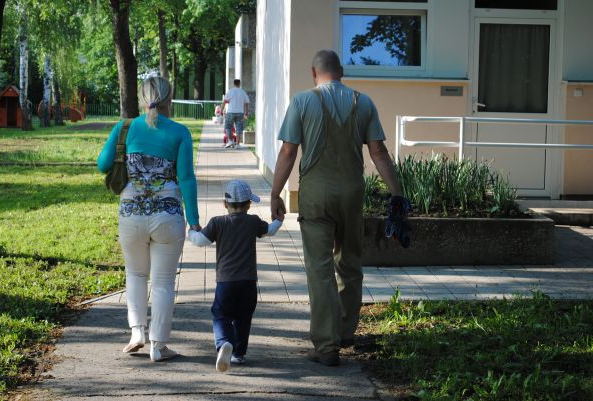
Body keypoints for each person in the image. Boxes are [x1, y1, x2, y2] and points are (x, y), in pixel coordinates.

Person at [270, 50, 407, 366]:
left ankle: (327, 346)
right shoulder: (364, 102)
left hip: (316, 195)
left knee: (319, 269)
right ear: (341, 71)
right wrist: (397, 194)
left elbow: (288, 152)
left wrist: (276, 193)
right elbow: (379, 153)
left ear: (313, 72)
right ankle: (346, 333)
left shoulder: (303, 101)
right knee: (349, 262)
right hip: (351, 194)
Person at [97, 76, 201, 362]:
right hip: (167, 217)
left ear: (143, 99)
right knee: (164, 282)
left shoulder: (125, 128)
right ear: (169, 99)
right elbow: (187, 178)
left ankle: (137, 332)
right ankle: (158, 345)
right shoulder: (180, 133)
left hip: (131, 215)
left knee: (135, 274)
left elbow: (103, 164)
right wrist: (194, 221)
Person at [188, 180, 281, 372]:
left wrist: (191, 230)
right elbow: (271, 230)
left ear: (225, 204)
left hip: (225, 282)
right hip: (249, 283)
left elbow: (198, 242)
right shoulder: (253, 221)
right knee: (243, 318)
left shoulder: (217, 223)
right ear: (248, 204)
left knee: (221, 315)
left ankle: (223, 343)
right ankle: (239, 354)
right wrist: (279, 218)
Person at [221, 79, 250, 149]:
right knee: (239, 128)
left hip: (230, 112)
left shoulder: (230, 91)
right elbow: (247, 103)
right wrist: (246, 113)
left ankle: (230, 141)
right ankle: (237, 144)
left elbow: (225, 102)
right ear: (239, 84)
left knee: (228, 127)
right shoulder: (243, 92)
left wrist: (221, 110)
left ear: (234, 84)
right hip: (240, 112)